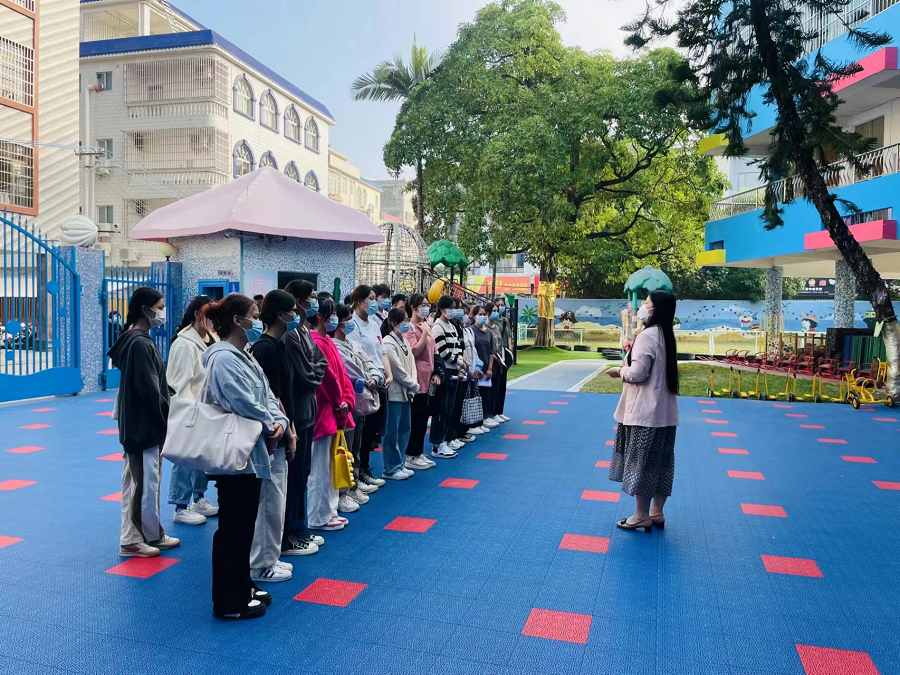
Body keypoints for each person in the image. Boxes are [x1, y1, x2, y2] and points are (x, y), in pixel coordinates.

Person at [202, 294, 288, 620]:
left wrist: (279, 421)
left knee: (243, 525)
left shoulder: (244, 355)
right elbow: (243, 402)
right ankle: (228, 601)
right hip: (234, 455)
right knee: (232, 528)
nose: (257, 320)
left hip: (250, 451)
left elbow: (267, 396)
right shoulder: (223, 359)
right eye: (253, 314)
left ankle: (242, 584)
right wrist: (270, 423)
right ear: (238, 321)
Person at [108, 287, 179, 558]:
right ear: (145, 309)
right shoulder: (139, 343)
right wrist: (165, 419)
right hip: (144, 427)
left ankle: (150, 532)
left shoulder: (137, 339)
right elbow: (149, 390)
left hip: (142, 425)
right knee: (140, 484)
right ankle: (131, 540)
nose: (162, 312)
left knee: (147, 482)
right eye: (159, 307)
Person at [606, 290, 680, 532]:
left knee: (642, 463)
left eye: (646, 303)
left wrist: (619, 371)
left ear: (655, 309)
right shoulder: (666, 335)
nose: (642, 307)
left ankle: (640, 515)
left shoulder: (647, 336)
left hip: (645, 414)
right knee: (660, 463)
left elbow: (637, 373)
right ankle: (657, 512)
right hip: (665, 414)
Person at [248, 290, 303, 584]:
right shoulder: (264, 349)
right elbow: (272, 398)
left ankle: (270, 556)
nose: (297, 315)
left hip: (282, 431)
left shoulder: (277, 345)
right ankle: (261, 563)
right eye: (293, 310)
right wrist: (288, 432)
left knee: (276, 499)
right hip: (273, 436)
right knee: (269, 501)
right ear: (281, 315)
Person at [282, 281, 327, 554]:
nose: (315, 301)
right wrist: (314, 369)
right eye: (311, 297)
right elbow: (306, 374)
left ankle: (301, 527)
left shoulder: (304, 331)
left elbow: (320, 362)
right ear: (298, 301)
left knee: (303, 474)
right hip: (297, 413)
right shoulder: (290, 336)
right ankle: (290, 533)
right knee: (295, 476)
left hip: (309, 410)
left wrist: (314, 369)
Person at [166, 295, 219, 525]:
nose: (214, 320)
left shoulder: (212, 337)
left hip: (207, 408)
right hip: (189, 409)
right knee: (185, 457)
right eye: (210, 315)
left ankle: (198, 498)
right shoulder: (184, 344)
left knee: (201, 457)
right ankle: (180, 506)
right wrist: (187, 414)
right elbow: (179, 384)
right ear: (198, 314)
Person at [308, 299, 356, 529]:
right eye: (333, 313)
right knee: (320, 468)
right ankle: (318, 516)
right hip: (325, 411)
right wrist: (341, 402)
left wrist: (347, 400)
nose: (336, 318)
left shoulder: (327, 340)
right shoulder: (315, 342)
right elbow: (327, 379)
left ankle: (329, 510)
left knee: (330, 465)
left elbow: (342, 376)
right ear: (321, 316)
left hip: (335, 409)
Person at [332, 303, 384, 503]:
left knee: (357, 445)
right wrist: (368, 377)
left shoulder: (353, 344)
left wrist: (375, 377)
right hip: (348, 400)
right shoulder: (334, 345)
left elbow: (369, 362)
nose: (351, 323)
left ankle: (354, 483)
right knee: (345, 448)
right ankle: (344, 491)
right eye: (347, 319)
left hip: (361, 399)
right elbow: (352, 370)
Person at [348, 285, 392, 489]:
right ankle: (357, 476)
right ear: (359, 301)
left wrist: (387, 374)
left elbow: (381, 352)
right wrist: (371, 378)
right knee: (360, 432)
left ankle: (365, 469)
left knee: (372, 429)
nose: (375, 302)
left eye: (375, 298)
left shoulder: (374, 323)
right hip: (364, 382)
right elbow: (357, 356)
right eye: (371, 298)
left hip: (378, 380)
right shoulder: (352, 324)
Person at [382, 308, 419, 479]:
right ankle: (391, 467)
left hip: (407, 392)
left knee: (405, 429)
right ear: (393, 323)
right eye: (403, 321)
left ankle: (401, 463)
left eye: (407, 320)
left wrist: (412, 385)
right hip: (395, 393)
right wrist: (413, 384)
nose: (407, 323)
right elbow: (396, 370)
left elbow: (411, 365)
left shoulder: (404, 341)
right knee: (392, 431)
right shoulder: (388, 342)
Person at [404, 293, 439, 471]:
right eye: (422, 305)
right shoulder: (410, 328)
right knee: (416, 419)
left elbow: (434, 351)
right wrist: (424, 332)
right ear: (413, 307)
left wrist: (437, 372)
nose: (426, 308)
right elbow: (414, 351)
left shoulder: (427, 325)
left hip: (428, 379)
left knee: (423, 418)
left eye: (427, 304)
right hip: (416, 379)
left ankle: (418, 452)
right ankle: (411, 454)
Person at [429, 296, 463, 458]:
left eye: (455, 307)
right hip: (445, 372)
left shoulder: (452, 326)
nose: (454, 311)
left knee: (449, 409)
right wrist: (461, 363)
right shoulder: (437, 327)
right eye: (451, 308)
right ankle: (437, 445)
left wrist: (460, 365)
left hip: (454, 371)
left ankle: (445, 439)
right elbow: (443, 353)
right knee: (441, 409)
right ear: (442, 310)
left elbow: (458, 348)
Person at [471, 305, 496, 434]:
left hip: (486, 368)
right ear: (474, 315)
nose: (482, 316)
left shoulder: (489, 333)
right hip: (476, 368)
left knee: (486, 394)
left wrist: (490, 368)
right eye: (479, 314)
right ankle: (476, 421)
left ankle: (485, 418)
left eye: (484, 314)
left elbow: (491, 351)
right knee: (475, 395)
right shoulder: (471, 331)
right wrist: (476, 367)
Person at [485, 303, 509, 426]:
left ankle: (498, 411)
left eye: (497, 310)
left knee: (499, 387)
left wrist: (503, 358)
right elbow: (489, 348)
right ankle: (490, 413)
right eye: (493, 310)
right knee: (491, 389)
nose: (496, 313)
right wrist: (495, 358)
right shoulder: (485, 327)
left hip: (500, 360)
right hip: (492, 361)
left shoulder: (497, 327)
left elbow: (501, 344)